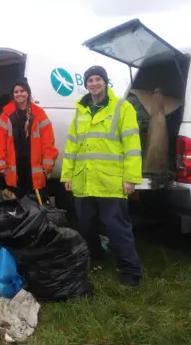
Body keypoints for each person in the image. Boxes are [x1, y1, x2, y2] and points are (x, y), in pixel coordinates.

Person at [61, 65, 143, 287]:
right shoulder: (81, 110)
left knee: (117, 228)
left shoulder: (122, 108)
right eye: (90, 80)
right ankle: (96, 256)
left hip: (111, 181)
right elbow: (72, 146)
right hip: (84, 181)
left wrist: (131, 178)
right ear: (86, 84)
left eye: (98, 79)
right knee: (86, 226)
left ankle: (131, 272)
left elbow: (132, 146)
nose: (94, 83)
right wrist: (67, 175)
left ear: (105, 83)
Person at [0, 77, 58, 200]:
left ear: (28, 93)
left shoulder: (39, 114)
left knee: (36, 201)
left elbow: (48, 142)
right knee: (16, 201)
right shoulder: (6, 115)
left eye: (22, 91)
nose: (19, 94)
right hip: (15, 166)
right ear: (13, 95)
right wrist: (1, 163)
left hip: (34, 165)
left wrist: (48, 165)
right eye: (16, 92)